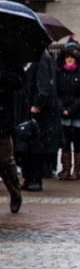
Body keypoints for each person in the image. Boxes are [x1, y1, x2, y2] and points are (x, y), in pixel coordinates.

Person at [17, 52, 62, 192]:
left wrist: (38, 104)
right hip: (25, 106)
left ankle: (35, 178)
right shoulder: (25, 58)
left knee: (37, 146)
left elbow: (45, 84)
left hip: (38, 111)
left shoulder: (42, 57)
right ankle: (28, 177)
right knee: (25, 145)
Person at [55, 47, 80, 181]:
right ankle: (65, 169)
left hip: (78, 114)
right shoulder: (59, 73)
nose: (69, 60)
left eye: (72, 57)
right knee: (65, 143)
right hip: (63, 112)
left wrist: (72, 109)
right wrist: (62, 108)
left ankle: (77, 170)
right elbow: (56, 92)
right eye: (67, 57)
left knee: (78, 142)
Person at [0, 62, 24, 213]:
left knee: (5, 160)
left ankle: (15, 193)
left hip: (2, 118)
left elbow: (20, 81)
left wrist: (2, 76)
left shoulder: (8, 56)